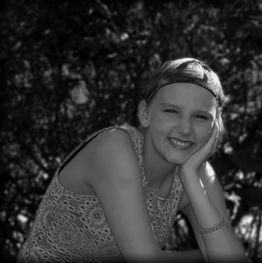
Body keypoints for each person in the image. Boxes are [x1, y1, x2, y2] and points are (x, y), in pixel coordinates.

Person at [18, 58, 247, 262]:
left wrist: (190, 177)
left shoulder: (197, 171)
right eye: (171, 112)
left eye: (200, 117)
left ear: (215, 128)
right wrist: (205, 256)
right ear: (145, 114)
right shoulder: (114, 147)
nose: (185, 129)